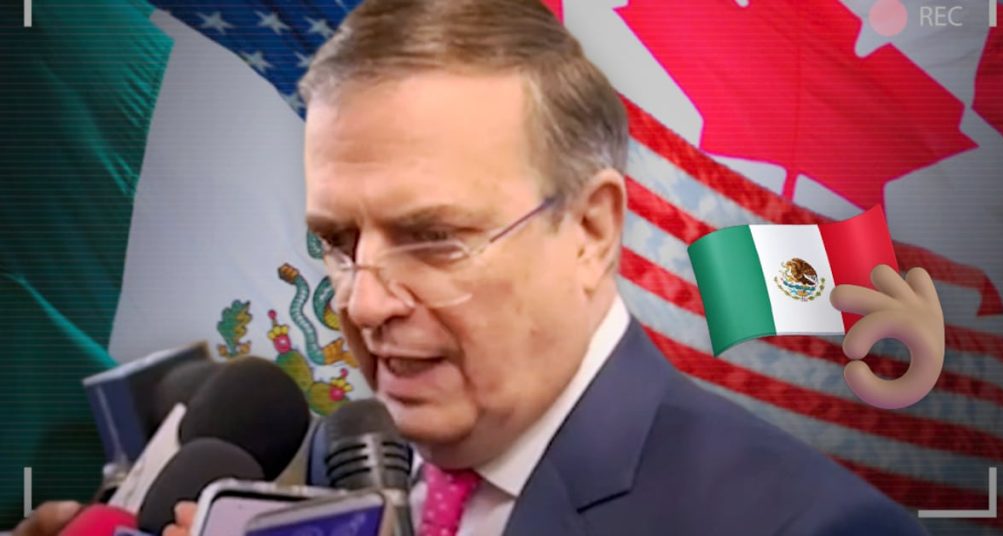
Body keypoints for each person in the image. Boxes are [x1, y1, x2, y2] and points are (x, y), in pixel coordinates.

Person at [20, 1, 933, 534]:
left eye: (431, 236)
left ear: (591, 232)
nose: (362, 303)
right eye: (338, 242)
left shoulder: (800, 528)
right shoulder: (340, 488)